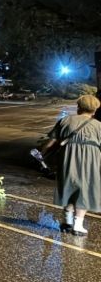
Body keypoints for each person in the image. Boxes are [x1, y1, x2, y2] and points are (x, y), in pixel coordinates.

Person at [42, 94, 101, 235]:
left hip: (68, 158)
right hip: (91, 160)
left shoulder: (65, 120)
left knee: (69, 186)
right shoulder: (98, 126)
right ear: (94, 110)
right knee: (84, 189)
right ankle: (78, 225)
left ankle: (67, 222)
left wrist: (42, 153)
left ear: (78, 107)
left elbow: (51, 142)